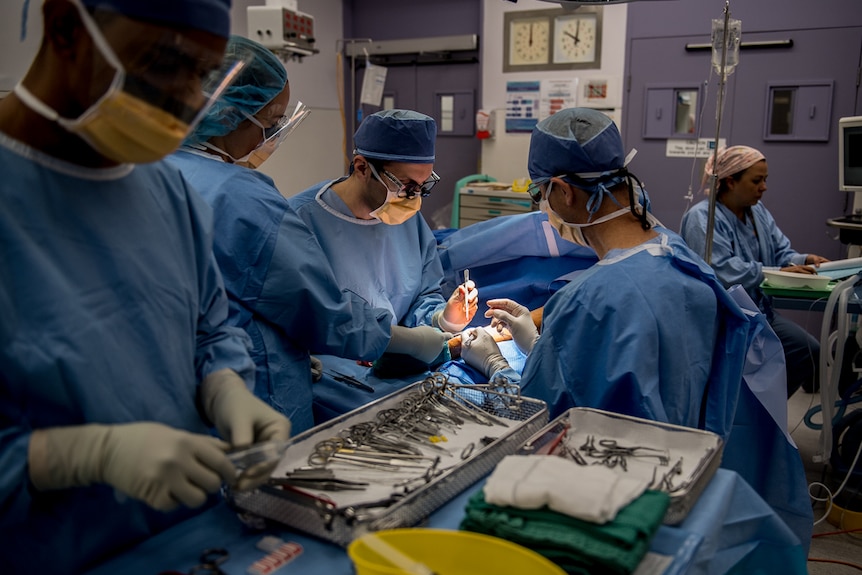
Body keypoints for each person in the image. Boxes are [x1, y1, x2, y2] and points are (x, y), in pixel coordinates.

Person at [0, 1, 291, 572]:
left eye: (203, 76)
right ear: (65, 28)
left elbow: (210, 328)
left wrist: (224, 386)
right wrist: (70, 456)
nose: (188, 100)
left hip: (187, 539)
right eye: (164, 63)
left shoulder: (166, 189)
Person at [460, 107, 751, 440]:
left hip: (612, 475)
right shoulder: (684, 258)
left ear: (564, 191)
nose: (544, 205)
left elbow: (539, 420)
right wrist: (539, 346)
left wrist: (496, 366)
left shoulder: (585, 302)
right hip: (689, 461)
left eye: (540, 194)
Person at [169, 36, 397, 433]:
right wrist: (397, 338)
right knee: (257, 489)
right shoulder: (240, 196)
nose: (270, 137)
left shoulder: (154, 170)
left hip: (177, 388)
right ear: (229, 114)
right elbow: (315, 304)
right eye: (271, 123)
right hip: (249, 390)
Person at [286, 110, 478, 372]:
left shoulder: (407, 218)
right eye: (406, 185)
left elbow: (422, 293)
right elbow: (300, 317)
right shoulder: (298, 222)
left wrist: (443, 319)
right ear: (362, 167)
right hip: (331, 373)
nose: (414, 198)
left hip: (391, 367)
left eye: (423, 186)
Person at [680, 145, 828, 396]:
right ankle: (740, 414)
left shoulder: (758, 213)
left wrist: (804, 260)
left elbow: (781, 252)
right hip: (724, 316)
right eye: (756, 180)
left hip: (759, 312)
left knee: (807, 350)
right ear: (729, 182)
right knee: (734, 372)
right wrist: (777, 271)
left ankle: (766, 412)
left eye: (765, 180)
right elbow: (723, 270)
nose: (764, 187)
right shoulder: (702, 219)